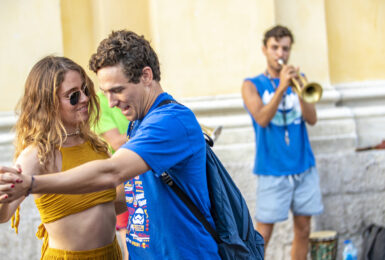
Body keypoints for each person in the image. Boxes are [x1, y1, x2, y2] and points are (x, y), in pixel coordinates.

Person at [0, 30, 221, 259]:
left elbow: (111, 174)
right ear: (47, 103)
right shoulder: (137, 124)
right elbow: (130, 194)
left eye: (117, 90)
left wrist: (32, 184)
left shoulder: (163, 124)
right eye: (74, 96)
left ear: (146, 76)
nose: (109, 102)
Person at [0, 56, 125, 259]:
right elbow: (3, 216)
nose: (84, 99)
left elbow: (115, 203)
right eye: (73, 96)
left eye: (85, 90)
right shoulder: (38, 154)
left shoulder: (96, 144)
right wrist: (4, 194)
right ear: (49, 104)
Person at [241, 25, 323, 259]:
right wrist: (280, 89)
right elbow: (262, 118)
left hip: (304, 167)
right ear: (264, 50)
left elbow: (312, 118)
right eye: (275, 47)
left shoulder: (300, 81)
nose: (280, 53)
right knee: (263, 235)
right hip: (272, 170)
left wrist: (298, 89)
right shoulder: (251, 85)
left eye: (285, 48)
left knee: (304, 229)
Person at [92, 91, 130, 260]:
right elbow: (115, 142)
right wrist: (153, 132)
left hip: (141, 176)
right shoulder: (98, 104)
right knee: (131, 247)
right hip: (121, 177)